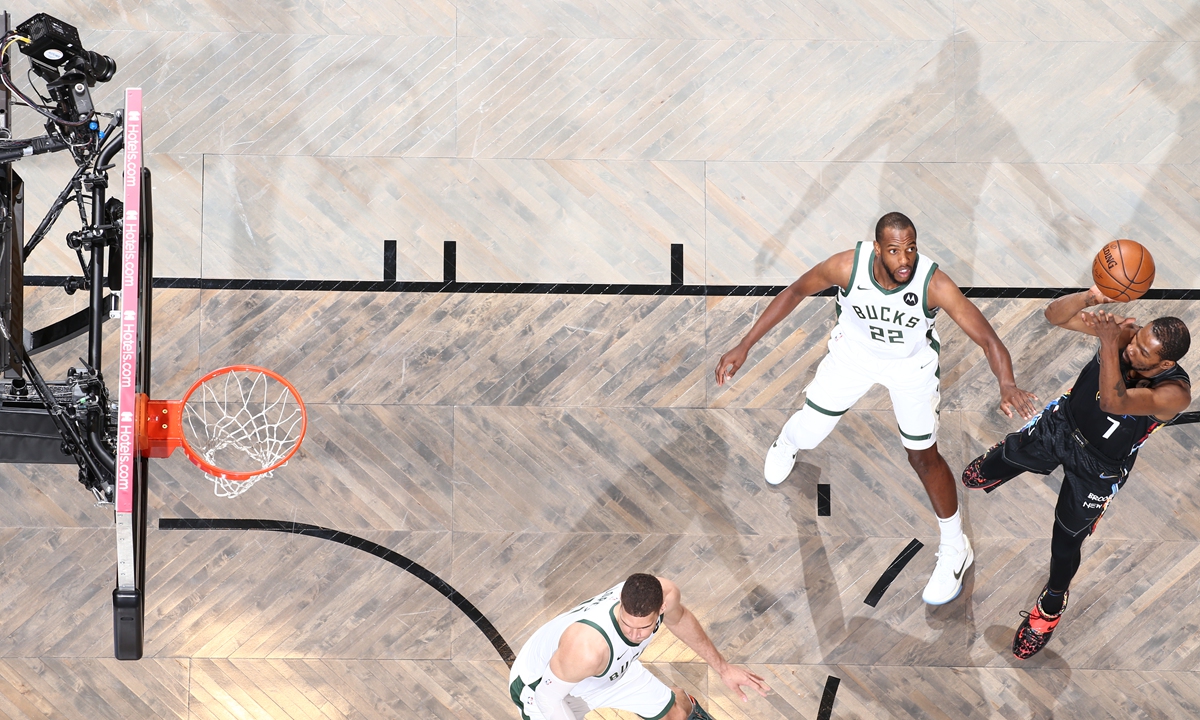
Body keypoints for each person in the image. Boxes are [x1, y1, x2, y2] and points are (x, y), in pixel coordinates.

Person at [715, 212, 1038, 605]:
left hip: (910, 367)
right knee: (810, 430)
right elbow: (795, 291)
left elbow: (989, 339)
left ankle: (956, 547)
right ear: (877, 248)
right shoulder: (845, 267)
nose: (905, 259)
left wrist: (1006, 383)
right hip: (852, 357)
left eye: (911, 248)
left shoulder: (932, 284)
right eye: (894, 250)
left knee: (922, 456)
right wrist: (745, 344)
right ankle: (787, 441)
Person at [962, 288, 1192, 659]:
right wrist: (1090, 296)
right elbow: (1053, 316)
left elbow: (1113, 401)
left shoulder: (1173, 393)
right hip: (1062, 424)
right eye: (1136, 339)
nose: (1132, 349)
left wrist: (1107, 343)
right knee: (988, 468)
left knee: (1067, 540)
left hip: (1099, 467)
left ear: (1164, 364)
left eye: (1143, 352)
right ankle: (1003, 459)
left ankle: (1050, 607)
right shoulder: (1124, 338)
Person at [509, 573, 769, 720]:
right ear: (620, 604)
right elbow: (547, 697)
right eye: (626, 624)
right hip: (545, 686)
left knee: (677, 714)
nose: (634, 634)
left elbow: (681, 620)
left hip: (607, 670)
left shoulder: (666, 593)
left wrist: (723, 668)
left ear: (661, 609)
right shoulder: (587, 647)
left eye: (644, 627)